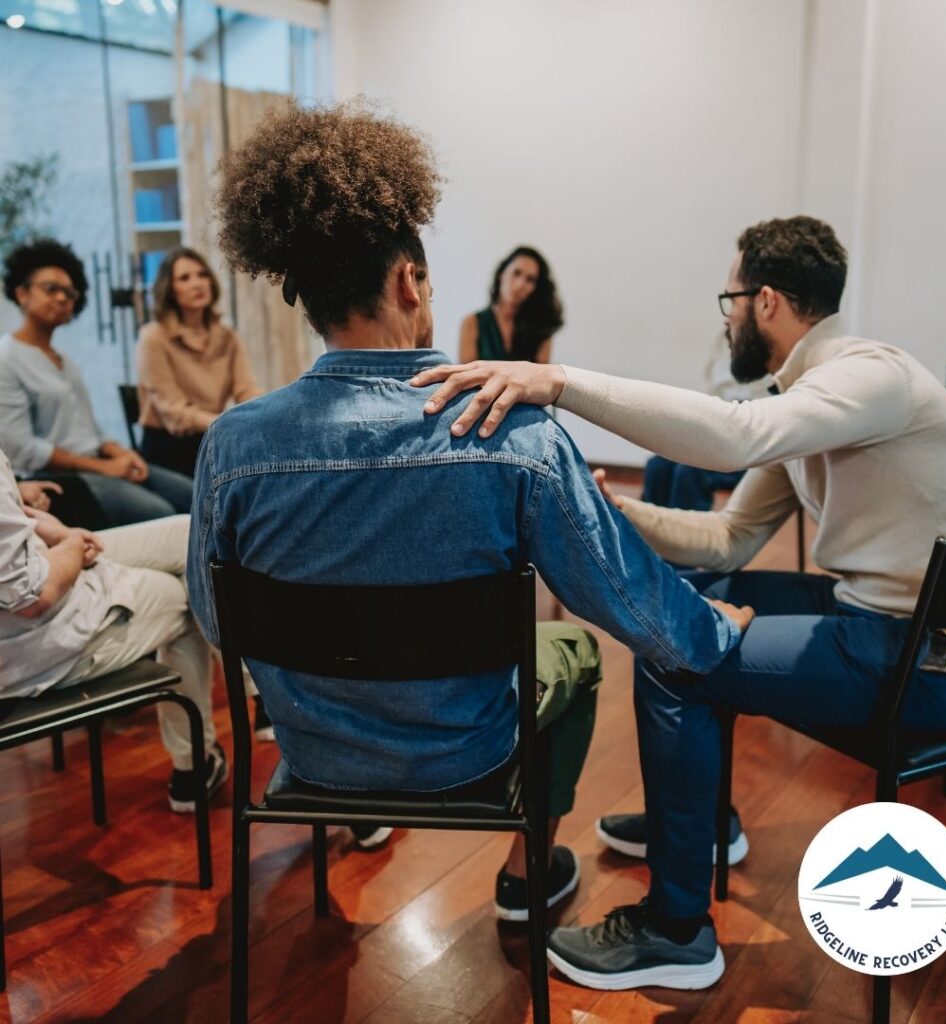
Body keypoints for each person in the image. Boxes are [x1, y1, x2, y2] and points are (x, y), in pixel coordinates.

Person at [413, 215, 946, 988]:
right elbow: (730, 538)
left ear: (765, 300)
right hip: (887, 624)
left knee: (678, 652)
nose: (727, 316)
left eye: (729, 299)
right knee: (691, 603)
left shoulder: (871, 375)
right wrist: (621, 512)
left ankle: (677, 932)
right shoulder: (811, 395)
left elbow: (733, 437)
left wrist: (559, 382)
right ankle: (699, 828)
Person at [186, 101, 752, 919]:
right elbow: (626, 600)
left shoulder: (232, 447)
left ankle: (370, 808)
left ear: (306, 301)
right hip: (466, 753)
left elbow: (214, 618)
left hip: (313, 755)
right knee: (576, 650)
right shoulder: (509, 432)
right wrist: (715, 626)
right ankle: (531, 868)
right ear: (408, 280)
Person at [0, 447, 224, 812]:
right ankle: (196, 763)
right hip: (37, 638)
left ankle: (248, 708)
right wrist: (70, 544)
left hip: (38, 565)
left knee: (189, 535)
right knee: (191, 592)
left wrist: (23, 504)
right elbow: (32, 597)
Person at [0, 240, 194, 526]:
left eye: (70, 292)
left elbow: (92, 432)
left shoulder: (65, 362)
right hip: (55, 479)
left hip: (95, 464)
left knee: (197, 495)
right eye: (51, 289)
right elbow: (23, 449)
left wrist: (124, 454)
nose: (63, 298)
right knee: (161, 514)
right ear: (22, 293)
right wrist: (105, 468)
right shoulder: (7, 358)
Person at [136, 247, 262, 478]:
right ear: (170, 290)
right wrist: (228, 425)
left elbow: (247, 390)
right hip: (168, 449)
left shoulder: (228, 336)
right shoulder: (153, 337)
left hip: (212, 440)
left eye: (202, 275)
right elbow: (173, 413)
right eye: (185, 278)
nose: (197, 283)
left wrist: (266, 414)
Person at [642, 333, 771, 511]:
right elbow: (713, 392)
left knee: (688, 472)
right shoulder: (725, 340)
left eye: (732, 304)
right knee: (658, 466)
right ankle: (643, 536)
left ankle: (682, 537)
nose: (727, 314)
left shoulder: (774, 340)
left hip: (753, 444)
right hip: (721, 425)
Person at [458, 247, 563, 364]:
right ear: (502, 274)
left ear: (535, 289)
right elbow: (465, 377)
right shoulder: (472, 323)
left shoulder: (542, 328)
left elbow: (542, 379)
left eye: (530, 280)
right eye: (516, 273)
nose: (520, 284)